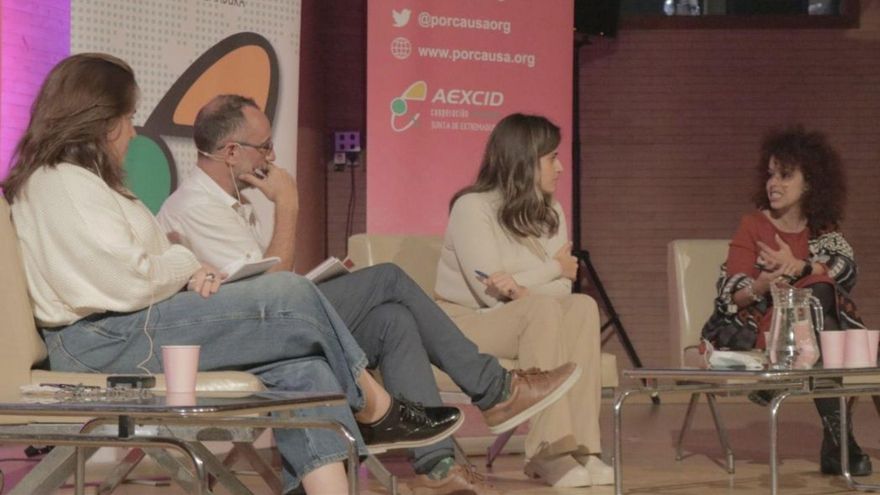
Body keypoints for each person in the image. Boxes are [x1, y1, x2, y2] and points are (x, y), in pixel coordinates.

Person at [1, 53, 466, 495]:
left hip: (124, 329)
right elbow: (126, 281)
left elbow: (134, 270)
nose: (133, 132)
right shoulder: (60, 183)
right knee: (289, 293)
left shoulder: (81, 182)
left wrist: (188, 272)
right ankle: (377, 407)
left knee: (304, 366)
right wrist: (186, 266)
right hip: (103, 343)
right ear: (103, 122)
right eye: (128, 118)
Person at [157, 95, 582, 494]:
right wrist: (289, 206)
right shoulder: (197, 206)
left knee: (391, 319)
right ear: (231, 153)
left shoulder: (232, 204)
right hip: (241, 340)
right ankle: (495, 390)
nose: (272, 158)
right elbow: (272, 293)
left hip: (267, 323)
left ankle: (437, 466)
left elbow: (264, 285)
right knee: (388, 280)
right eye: (264, 147)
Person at [433, 113, 614, 488]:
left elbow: (564, 289)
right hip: (464, 323)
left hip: (523, 315)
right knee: (542, 308)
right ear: (523, 160)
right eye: (552, 158)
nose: (560, 167)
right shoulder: (473, 207)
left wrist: (525, 285)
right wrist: (550, 270)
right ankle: (548, 451)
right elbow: (489, 289)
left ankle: (581, 447)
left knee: (582, 307)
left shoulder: (551, 212)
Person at [701, 125, 872, 476]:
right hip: (766, 326)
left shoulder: (821, 228)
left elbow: (847, 270)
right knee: (825, 302)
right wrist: (764, 284)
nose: (773, 183)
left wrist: (802, 265)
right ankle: (840, 440)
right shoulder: (753, 225)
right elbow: (731, 294)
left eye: (785, 175)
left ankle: (837, 440)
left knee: (824, 300)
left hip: (814, 335)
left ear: (809, 182)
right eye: (770, 175)